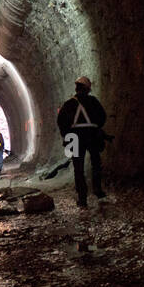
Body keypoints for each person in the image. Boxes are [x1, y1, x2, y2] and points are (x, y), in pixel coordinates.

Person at [56, 76, 107, 207]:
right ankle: (98, 190)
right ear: (88, 89)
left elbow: (61, 122)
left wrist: (66, 136)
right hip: (92, 136)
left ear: (76, 88)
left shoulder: (69, 104)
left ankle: (82, 198)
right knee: (96, 163)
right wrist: (95, 127)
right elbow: (102, 117)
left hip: (75, 137)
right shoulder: (93, 102)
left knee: (78, 168)